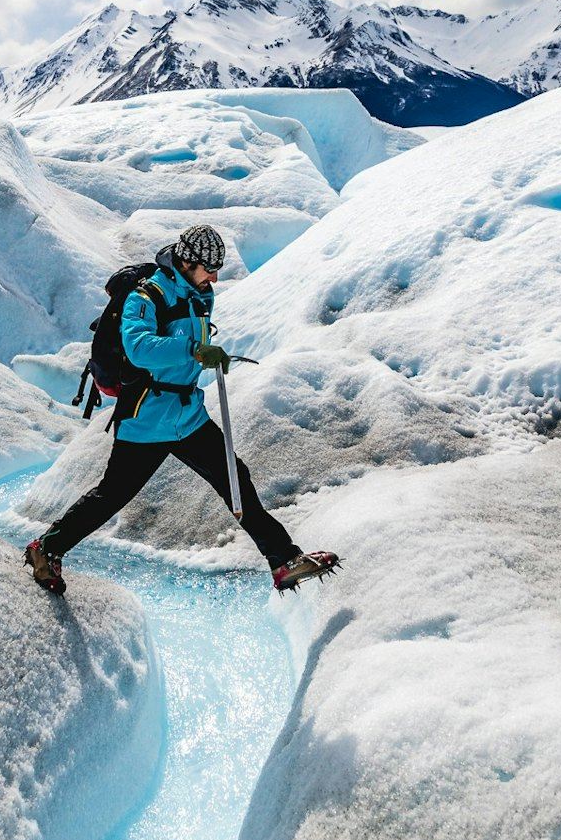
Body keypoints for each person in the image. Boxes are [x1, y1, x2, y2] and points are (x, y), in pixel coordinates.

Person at [24, 224, 338, 595]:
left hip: (187, 414)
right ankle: (45, 548)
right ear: (187, 260)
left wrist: (203, 356)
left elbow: (190, 342)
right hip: (147, 417)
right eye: (209, 268)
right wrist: (192, 350)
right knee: (111, 495)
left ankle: (283, 561)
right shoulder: (146, 296)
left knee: (234, 480)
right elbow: (139, 347)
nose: (215, 277)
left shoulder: (200, 294)